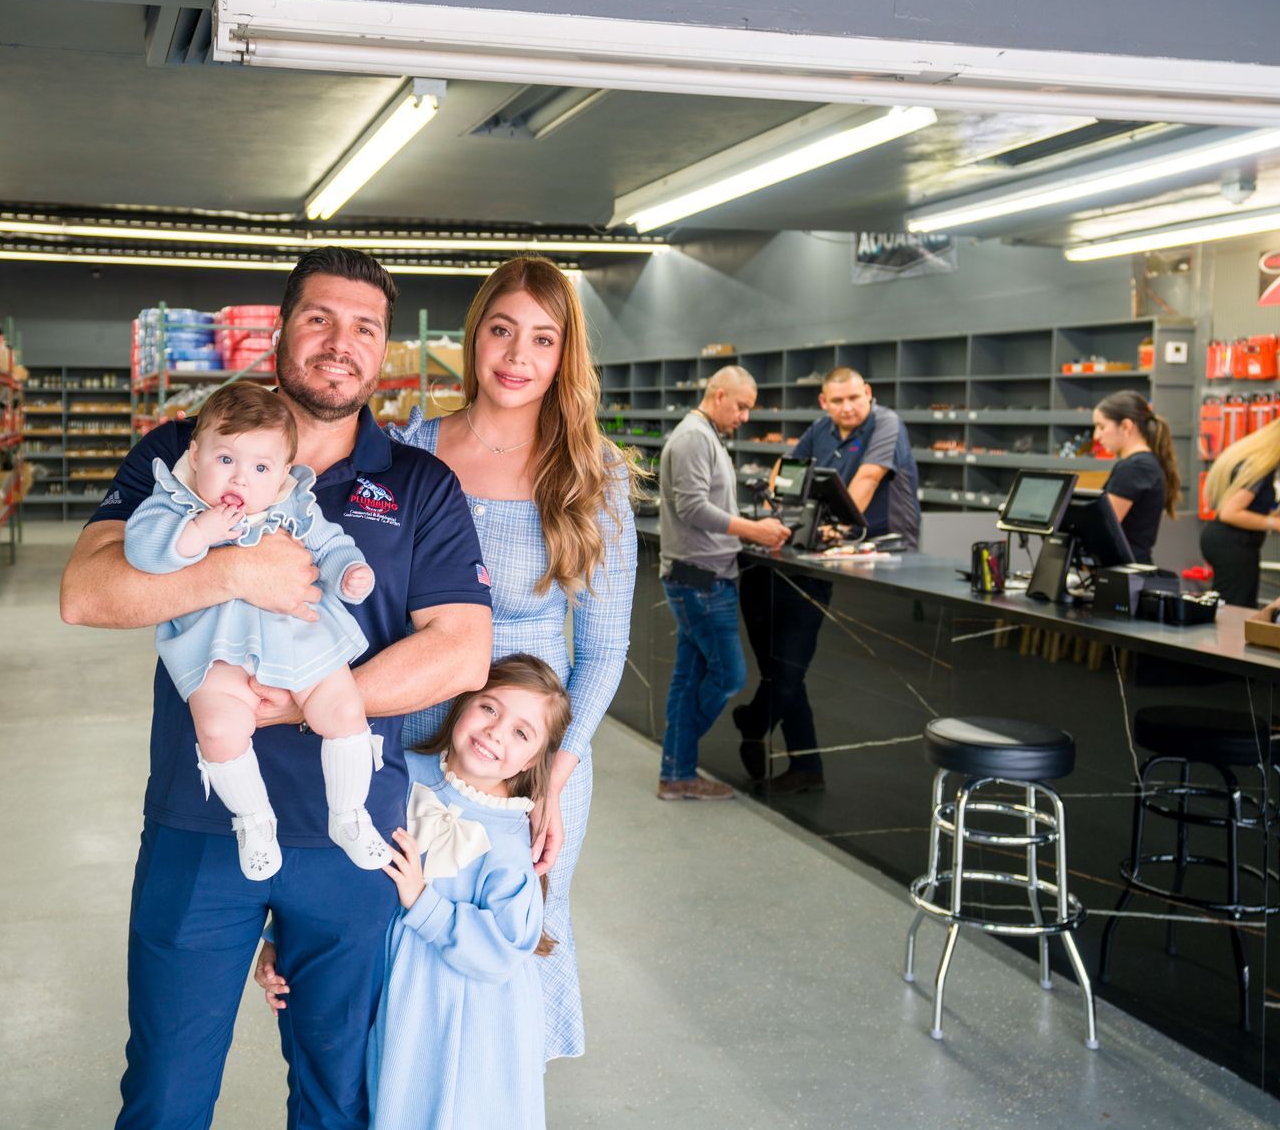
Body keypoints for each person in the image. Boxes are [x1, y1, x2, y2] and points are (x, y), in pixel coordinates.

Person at [60, 246, 494, 1130]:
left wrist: (304, 700)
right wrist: (231, 575)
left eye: (365, 327)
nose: (342, 342)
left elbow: (462, 652)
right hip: (199, 821)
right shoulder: (185, 453)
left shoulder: (419, 484)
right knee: (166, 1091)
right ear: (281, 331)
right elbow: (86, 592)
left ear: (383, 351)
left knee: (341, 1093)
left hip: (355, 833)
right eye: (320, 319)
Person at [388, 255, 636, 1062]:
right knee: (400, 927)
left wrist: (554, 777)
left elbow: (602, 651)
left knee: (508, 941)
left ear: (565, 356)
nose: (516, 356)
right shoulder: (409, 452)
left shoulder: (590, 477)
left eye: (542, 338)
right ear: (475, 337)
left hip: (530, 761)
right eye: (501, 330)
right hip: (417, 739)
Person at [259, 654, 568, 1130]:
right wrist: (283, 937)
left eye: (522, 733)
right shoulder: (396, 769)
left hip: (445, 1015)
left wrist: (425, 904)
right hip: (368, 983)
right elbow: (330, 862)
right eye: (489, 708)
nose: (495, 732)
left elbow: (504, 950)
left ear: (535, 760)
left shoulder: (510, 843)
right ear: (463, 703)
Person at [122, 381, 387, 879]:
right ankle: (253, 819)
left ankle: (349, 814)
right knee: (220, 730)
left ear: (283, 474)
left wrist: (349, 572)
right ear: (196, 454)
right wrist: (200, 533)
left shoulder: (292, 506)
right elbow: (141, 549)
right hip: (215, 651)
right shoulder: (176, 503)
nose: (240, 480)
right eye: (226, 460)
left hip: (299, 636)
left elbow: (331, 544)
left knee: (343, 707)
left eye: (260, 468)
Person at [736, 366, 919, 796]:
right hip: (826, 554)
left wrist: (835, 523)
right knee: (786, 663)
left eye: (854, 398)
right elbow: (787, 468)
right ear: (824, 402)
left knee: (789, 662)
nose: (847, 407)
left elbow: (868, 479)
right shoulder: (821, 428)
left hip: (885, 550)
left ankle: (756, 719)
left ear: (868, 393)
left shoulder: (886, 424)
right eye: (837, 401)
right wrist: (780, 496)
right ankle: (807, 765)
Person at [659, 365, 792, 802]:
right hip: (701, 581)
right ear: (718, 395)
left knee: (688, 677)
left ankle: (676, 774)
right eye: (741, 406)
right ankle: (679, 757)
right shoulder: (695, 437)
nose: (745, 417)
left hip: (700, 577)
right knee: (731, 675)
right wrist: (752, 530)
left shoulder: (706, 436)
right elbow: (693, 507)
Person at [1201, 414, 1280, 607]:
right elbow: (1230, 513)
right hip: (1233, 546)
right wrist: (1279, 524)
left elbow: (1252, 510)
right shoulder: (1259, 468)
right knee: (1235, 612)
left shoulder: (1255, 462)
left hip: (1229, 543)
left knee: (1233, 609)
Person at [1092, 390, 1181, 565]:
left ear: (1126, 426)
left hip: (1126, 575)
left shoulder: (1135, 468)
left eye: (1102, 427)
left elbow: (1105, 527)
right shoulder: (1142, 464)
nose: (1097, 436)